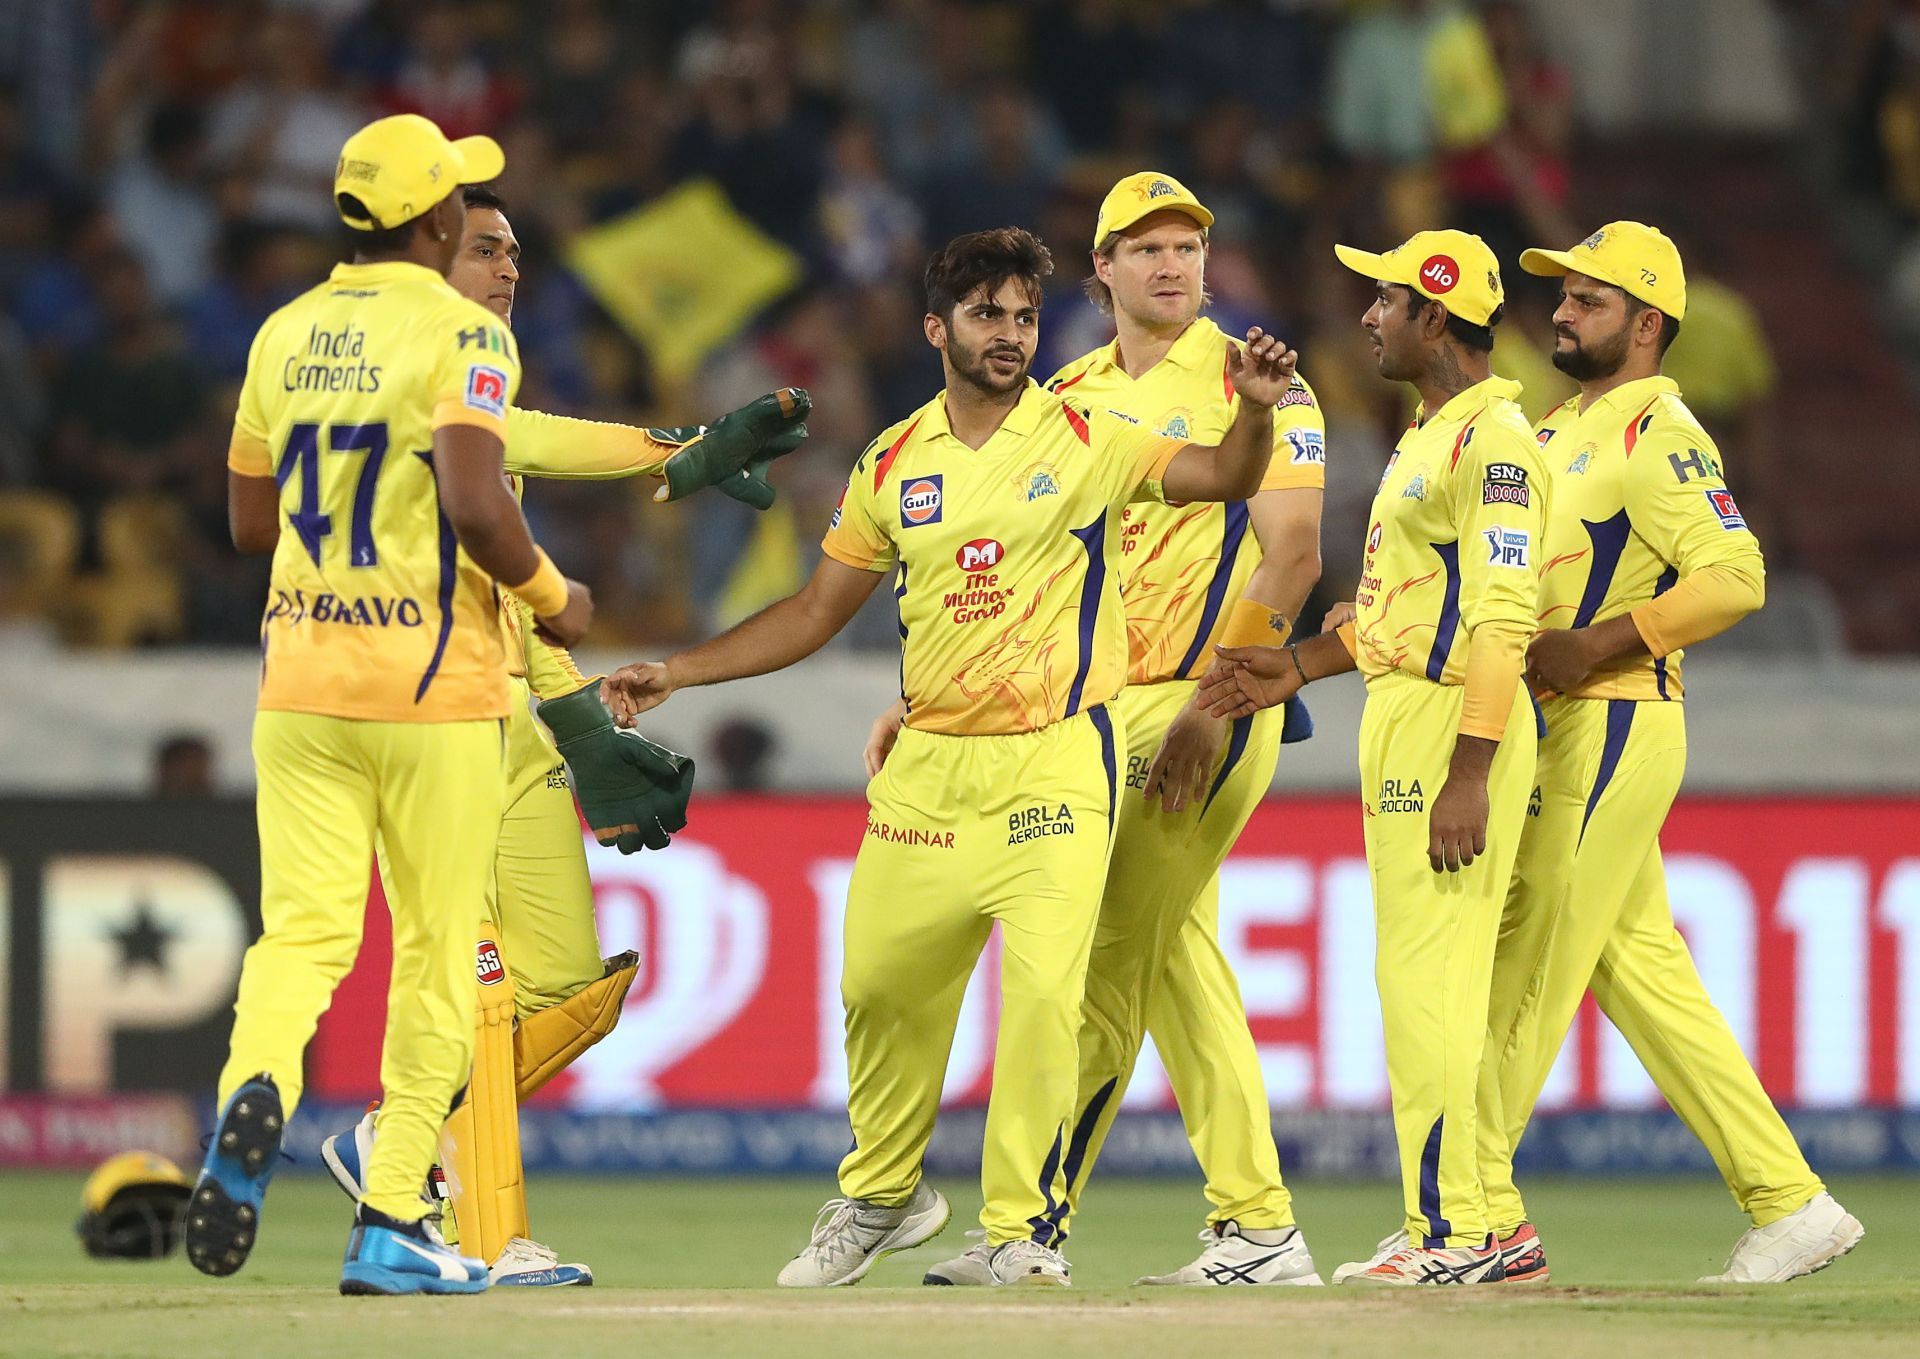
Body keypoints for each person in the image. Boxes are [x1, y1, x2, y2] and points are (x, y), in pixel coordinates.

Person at [603, 227, 1300, 1289]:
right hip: (930, 766)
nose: (1010, 335)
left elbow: (1221, 477)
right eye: (987, 316)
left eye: (1024, 316)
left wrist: (1252, 407)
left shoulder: (1088, 435)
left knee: (1045, 999)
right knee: (879, 987)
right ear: (938, 329)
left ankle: (1020, 1233)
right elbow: (812, 610)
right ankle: (884, 1194)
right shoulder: (892, 461)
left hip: (1060, 758)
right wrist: (679, 676)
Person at [316, 182, 811, 1287]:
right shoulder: (397, 375)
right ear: (428, 256)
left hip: (518, 722)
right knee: (480, 988)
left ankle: (397, 1132)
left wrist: (677, 452)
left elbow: (524, 469)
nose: (510, 269)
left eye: (516, 253)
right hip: (436, 721)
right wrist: (671, 458)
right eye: (487, 249)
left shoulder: (484, 389)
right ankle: (487, 1237)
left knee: (571, 985)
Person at [869, 172, 1330, 1287]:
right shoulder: (1061, 394)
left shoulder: (1257, 383)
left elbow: (1296, 553)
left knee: (1116, 958)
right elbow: (1014, 563)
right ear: (1103, 272)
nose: (1175, 264)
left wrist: (1213, 705)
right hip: (1086, 709)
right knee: (1171, 957)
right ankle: (1259, 1225)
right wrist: (932, 701)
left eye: (1190, 246)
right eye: (1147, 248)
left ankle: (1029, 1230)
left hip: (1200, 705)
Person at [192, 113, 592, 1296]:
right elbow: (477, 500)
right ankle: (389, 1221)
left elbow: (249, 526)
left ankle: (249, 1098)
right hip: (434, 689)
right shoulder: (466, 333)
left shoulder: (281, 332)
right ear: (433, 223)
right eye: (462, 204)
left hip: (301, 685)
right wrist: (556, 597)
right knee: (434, 960)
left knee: (301, 937)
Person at [1475, 221, 1863, 1283]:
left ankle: (1473, 1214)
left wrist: (1599, 640)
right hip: (1567, 722)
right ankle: (1790, 1203)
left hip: (1614, 716)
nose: (1559, 310)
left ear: (1648, 324)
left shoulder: (1662, 431)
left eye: (1589, 299)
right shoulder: (1558, 427)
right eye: (1560, 294)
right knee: (1634, 964)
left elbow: (1737, 574)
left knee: (1534, 961)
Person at [1199, 229, 1547, 1286]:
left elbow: (1500, 621)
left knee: (1426, 988)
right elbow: (1404, 611)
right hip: (1416, 713)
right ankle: (1480, 1221)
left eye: (1386, 300)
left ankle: (1454, 1236)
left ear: (1435, 315)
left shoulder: (1491, 447)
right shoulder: (1436, 433)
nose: (1367, 318)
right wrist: (1298, 665)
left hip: (1451, 725)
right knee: (1429, 985)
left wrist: (1473, 769)